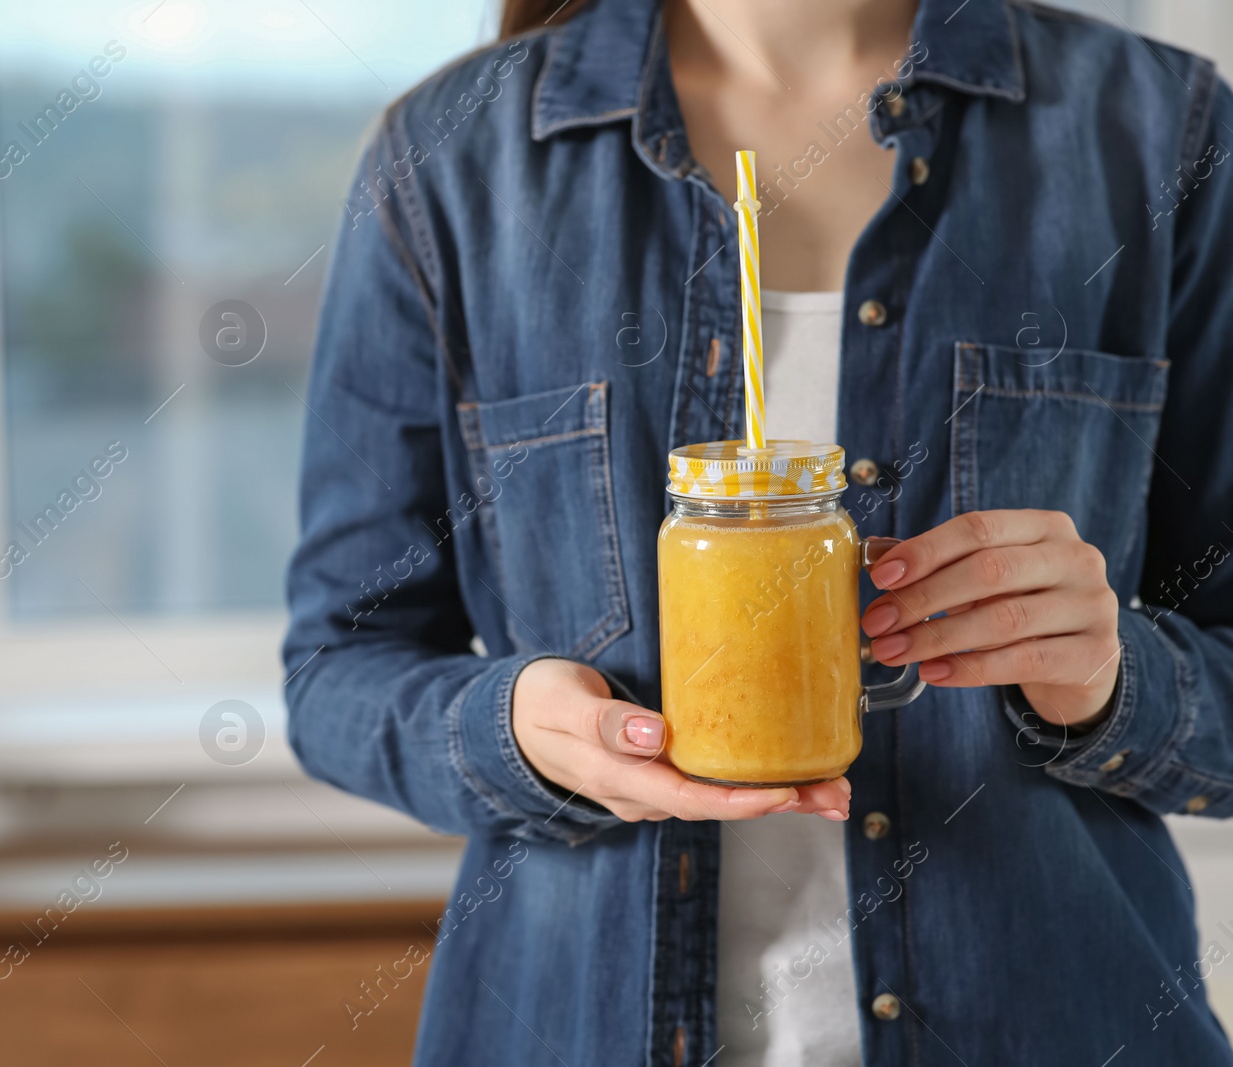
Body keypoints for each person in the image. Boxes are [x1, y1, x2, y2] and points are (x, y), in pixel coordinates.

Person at [282, 0, 1233, 1062]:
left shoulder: (1163, 133)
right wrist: (518, 732)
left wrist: (1106, 679)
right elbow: (336, 667)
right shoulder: (451, 159)